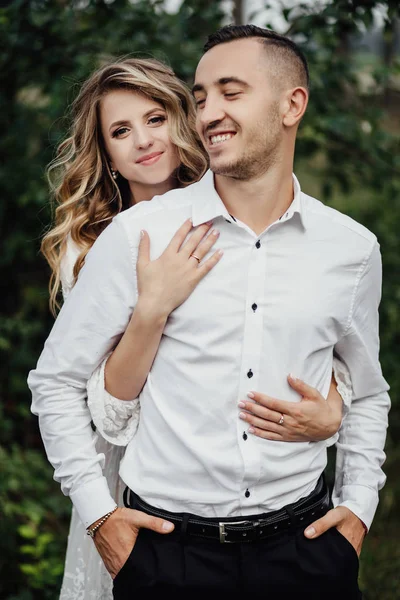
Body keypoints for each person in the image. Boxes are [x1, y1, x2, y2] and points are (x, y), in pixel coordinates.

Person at [27, 24, 390, 598]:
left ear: (293, 104)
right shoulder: (132, 236)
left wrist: (359, 507)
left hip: (305, 551)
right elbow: (59, 384)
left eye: (230, 91)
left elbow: (367, 390)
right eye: (199, 98)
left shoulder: (349, 248)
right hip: (168, 555)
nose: (209, 112)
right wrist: (100, 517)